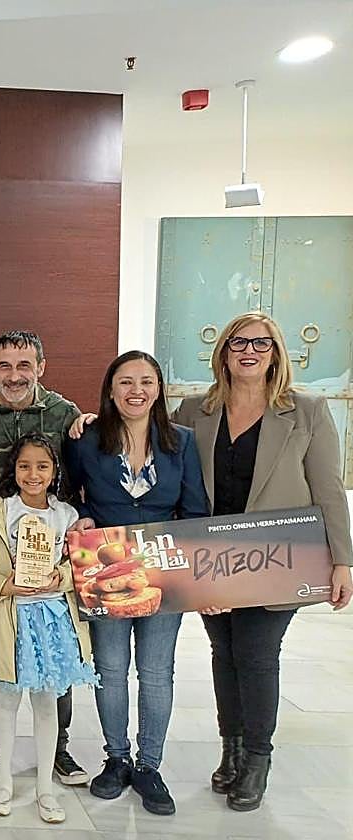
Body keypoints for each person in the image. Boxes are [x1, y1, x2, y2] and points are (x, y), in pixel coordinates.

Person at [172, 312, 352, 811]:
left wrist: (343, 560)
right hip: (210, 560)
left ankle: (257, 758)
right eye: (238, 343)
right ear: (223, 352)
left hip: (280, 559)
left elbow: (328, 490)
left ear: (276, 354)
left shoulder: (308, 411)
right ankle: (230, 751)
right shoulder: (193, 411)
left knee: (255, 654)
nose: (249, 351)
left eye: (261, 343)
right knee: (224, 654)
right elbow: (154, 452)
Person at [65, 350, 208, 816]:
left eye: (146, 381)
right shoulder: (87, 439)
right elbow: (69, 493)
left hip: (165, 571)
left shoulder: (181, 441)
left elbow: (195, 510)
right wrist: (81, 516)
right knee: (109, 669)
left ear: (159, 389)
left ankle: (149, 766)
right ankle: (116, 759)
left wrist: (197, 578)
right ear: (110, 390)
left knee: (156, 672)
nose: (136, 391)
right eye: (126, 382)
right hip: (104, 568)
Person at [0, 330, 88, 784]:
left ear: (40, 367)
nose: (14, 375)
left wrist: (93, 423)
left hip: (49, 554)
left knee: (55, 650)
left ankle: (59, 750)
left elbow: (88, 464)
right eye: (5, 366)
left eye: (24, 365)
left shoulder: (64, 414)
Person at [0, 434, 99, 824]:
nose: (33, 474)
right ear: (13, 470)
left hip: (52, 619)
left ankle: (44, 788)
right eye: (24, 466)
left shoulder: (66, 516)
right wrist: (3, 584)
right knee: (5, 702)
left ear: (55, 472)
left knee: (46, 703)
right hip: (9, 618)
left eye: (42, 466)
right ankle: (3, 781)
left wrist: (62, 576)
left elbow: (82, 566)